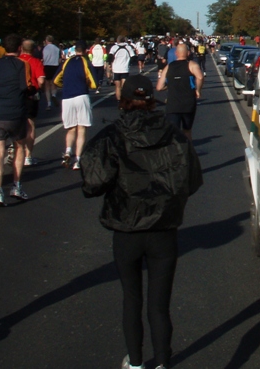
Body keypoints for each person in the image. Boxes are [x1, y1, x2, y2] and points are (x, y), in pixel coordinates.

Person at [81, 75, 202, 369]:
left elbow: (92, 182)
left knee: (131, 299)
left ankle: (135, 362)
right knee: (159, 306)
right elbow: (192, 180)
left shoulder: (113, 135)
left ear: (122, 100)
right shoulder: (174, 135)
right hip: (163, 229)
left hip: (127, 227)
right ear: (151, 101)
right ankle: (162, 362)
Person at [0, 33, 32, 206]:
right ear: (19, 48)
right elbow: (26, 87)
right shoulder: (22, 65)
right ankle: (16, 185)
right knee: (19, 147)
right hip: (16, 112)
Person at [55, 39, 97, 170]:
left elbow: (56, 79)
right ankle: (77, 160)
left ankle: (68, 151)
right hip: (81, 95)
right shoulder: (86, 62)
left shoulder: (67, 62)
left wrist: (65, 85)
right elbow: (94, 83)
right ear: (85, 51)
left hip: (67, 97)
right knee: (82, 128)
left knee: (71, 128)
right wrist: (87, 84)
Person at [156, 42, 204, 142]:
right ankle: (188, 153)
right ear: (188, 53)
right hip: (188, 103)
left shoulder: (169, 67)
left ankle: (176, 153)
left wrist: (169, 85)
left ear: (176, 54)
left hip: (172, 104)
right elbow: (200, 77)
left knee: (174, 132)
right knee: (187, 131)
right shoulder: (191, 65)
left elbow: (159, 87)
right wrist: (198, 90)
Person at [18, 39, 46, 166]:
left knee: (17, 124)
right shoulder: (35, 62)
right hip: (31, 95)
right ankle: (28, 156)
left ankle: (16, 151)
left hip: (16, 95)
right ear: (34, 50)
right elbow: (41, 80)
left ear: (21, 49)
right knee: (30, 125)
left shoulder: (16, 61)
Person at [109, 36, 137, 101]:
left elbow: (110, 57)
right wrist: (129, 63)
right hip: (125, 69)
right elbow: (133, 57)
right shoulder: (128, 47)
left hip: (116, 69)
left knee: (117, 86)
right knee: (124, 86)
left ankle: (119, 100)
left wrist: (110, 64)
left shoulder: (114, 47)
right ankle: (125, 100)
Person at [41, 35, 61, 110]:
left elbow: (43, 58)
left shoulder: (45, 48)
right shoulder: (57, 48)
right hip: (55, 66)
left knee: (47, 85)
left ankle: (49, 103)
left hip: (46, 66)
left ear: (46, 41)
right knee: (53, 83)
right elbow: (59, 59)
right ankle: (54, 95)